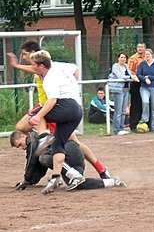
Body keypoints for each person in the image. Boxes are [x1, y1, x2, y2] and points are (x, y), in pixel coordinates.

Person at [7, 40, 112, 179]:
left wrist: (16, 66)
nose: (24, 57)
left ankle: (45, 138)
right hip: (53, 107)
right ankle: (102, 170)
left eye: (25, 54)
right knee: (72, 142)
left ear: (34, 55)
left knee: (23, 126)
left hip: (52, 107)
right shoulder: (47, 66)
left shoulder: (43, 68)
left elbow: (69, 72)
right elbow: (74, 69)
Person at [27, 50, 86, 189]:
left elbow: (52, 100)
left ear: (42, 66)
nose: (32, 68)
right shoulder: (59, 69)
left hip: (67, 107)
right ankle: (55, 177)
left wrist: (38, 116)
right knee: (58, 145)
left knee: (36, 113)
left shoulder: (49, 78)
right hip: (76, 110)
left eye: (34, 65)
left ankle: (44, 137)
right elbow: (74, 69)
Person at [10, 130, 126, 193]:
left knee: (44, 158)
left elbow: (31, 162)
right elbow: (38, 170)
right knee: (78, 185)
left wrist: (26, 180)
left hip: (69, 152)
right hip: (71, 157)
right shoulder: (35, 144)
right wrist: (29, 181)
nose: (22, 148)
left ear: (23, 136)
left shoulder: (33, 140)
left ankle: (75, 175)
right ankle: (112, 182)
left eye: (19, 144)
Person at [136, 49, 154, 132]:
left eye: (148, 54)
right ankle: (144, 119)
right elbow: (139, 74)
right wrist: (144, 79)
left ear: (151, 55)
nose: (147, 56)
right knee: (145, 102)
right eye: (145, 55)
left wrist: (149, 77)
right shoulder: (142, 64)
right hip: (144, 87)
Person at [108, 52, 131, 135]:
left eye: (124, 57)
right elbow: (120, 76)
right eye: (121, 57)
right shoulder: (115, 66)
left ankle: (122, 128)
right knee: (118, 110)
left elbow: (130, 74)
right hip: (118, 90)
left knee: (123, 110)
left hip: (126, 89)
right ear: (118, 58)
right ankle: (116, 129)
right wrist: (131, 77)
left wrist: (132, 76)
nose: (123, 59)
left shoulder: (126, 66)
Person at [127, 43, 146, 131]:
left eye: (141, 47)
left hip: (146, 82)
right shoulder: (133, 58)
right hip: (136, 83)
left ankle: (144, 122)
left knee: (145, 103)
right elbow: (130, 71)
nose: (140, 49)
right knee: (135, 104)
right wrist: (138, 76)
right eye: (138, 47)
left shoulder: (147, 57)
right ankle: (133, 124)